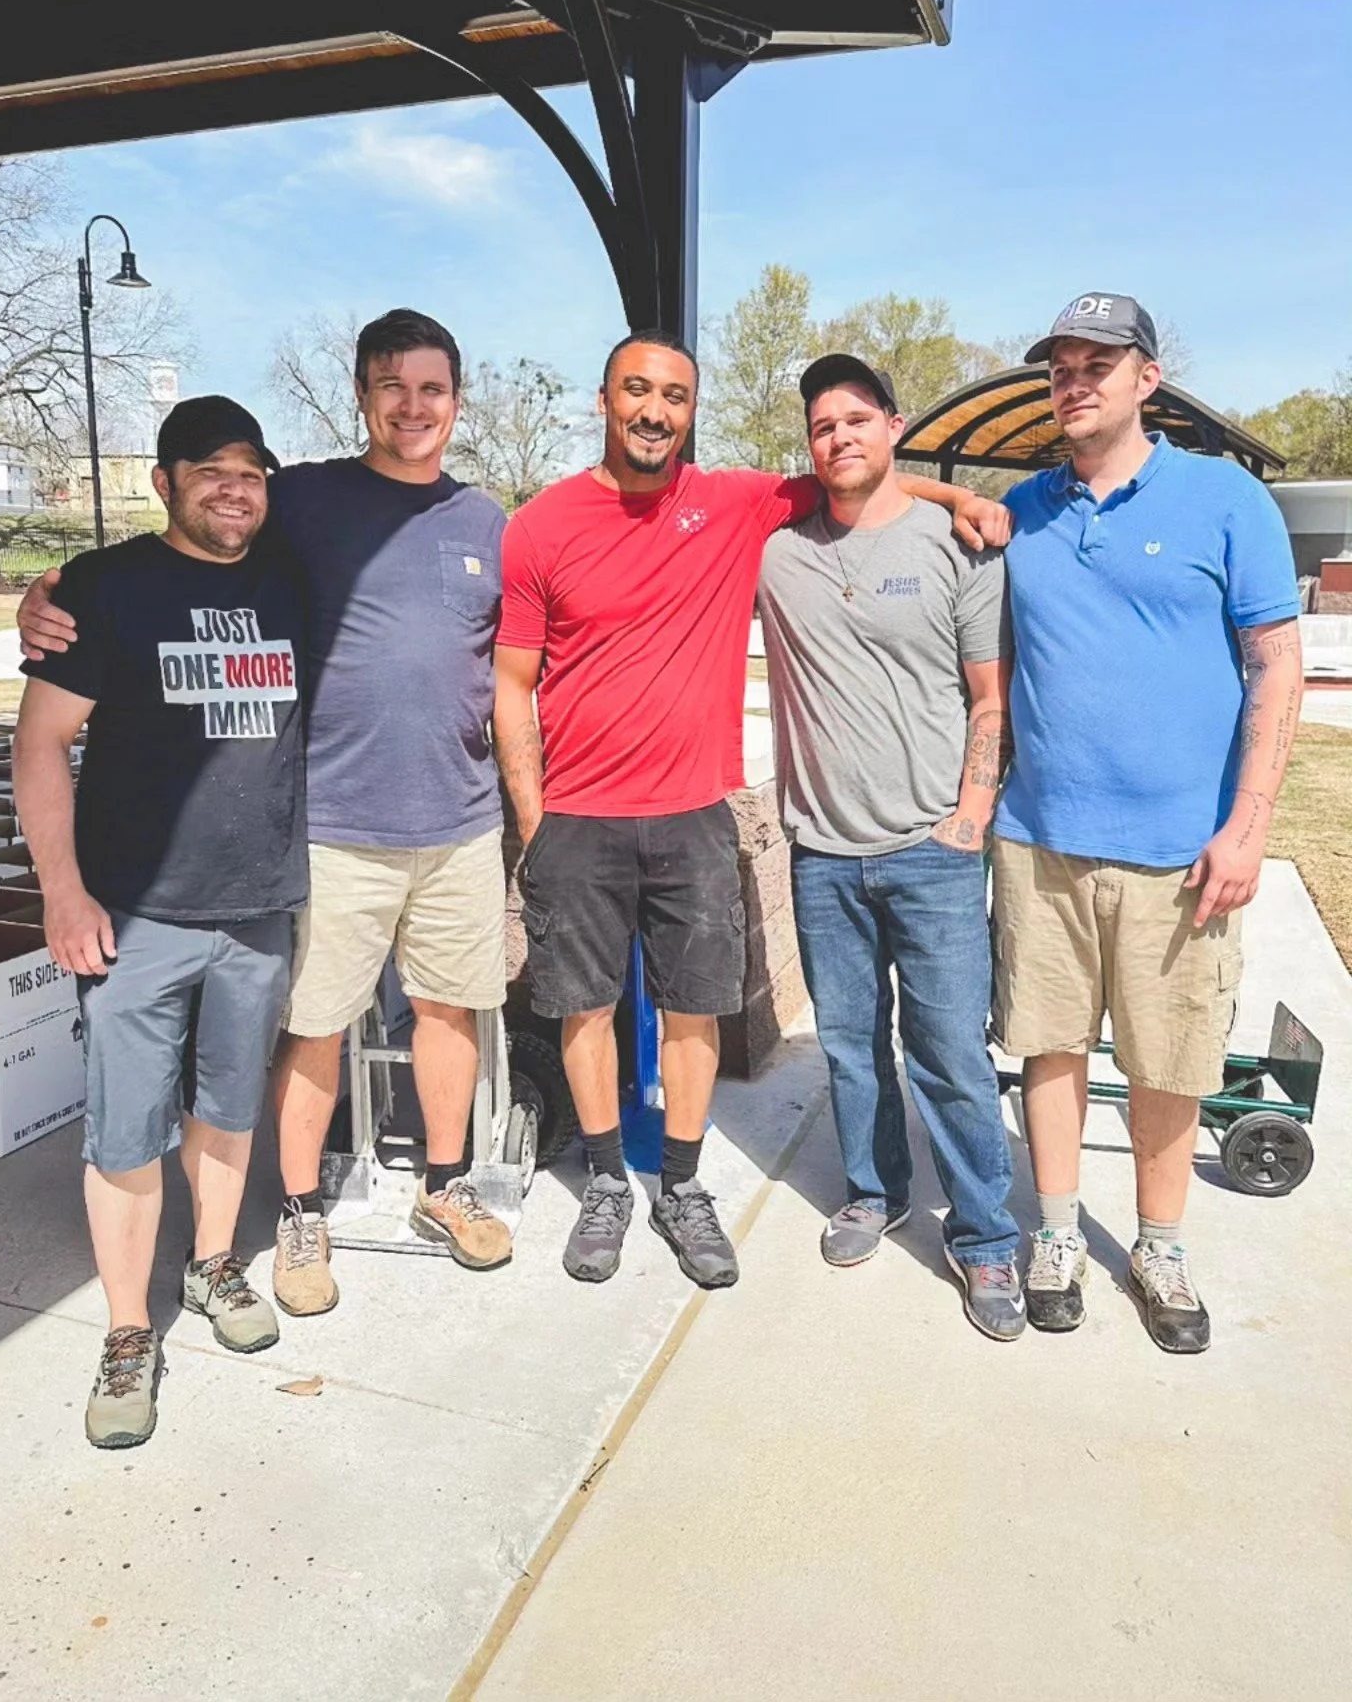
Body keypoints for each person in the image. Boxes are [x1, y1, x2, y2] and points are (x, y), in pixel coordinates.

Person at [18, 310, 513, 1307]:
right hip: (329, 826)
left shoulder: (487, 521)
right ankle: (296, 1217)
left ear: (458, 401)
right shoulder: (307, 498)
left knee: (450, 1012)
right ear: (363, 395)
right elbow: (186, 539)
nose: (412, 406)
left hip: (458, 818)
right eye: (392, 386)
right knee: (316, 1027)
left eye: (432, 389)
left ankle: (446, 1186)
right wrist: (51, 590)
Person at [494, 329, 986, 1290]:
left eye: (674, 396)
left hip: (692, 814)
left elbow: (863, 480)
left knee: (693, 1013)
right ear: (604, 401)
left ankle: (679, 1186)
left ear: (691, 412)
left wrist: (960, 495)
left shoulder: (731, 502)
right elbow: (512, 683)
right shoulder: (541, 524)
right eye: (636, 391)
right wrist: (532, 814)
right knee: (584, 1011)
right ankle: (605, 1182)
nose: (654, 411)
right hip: (579, 819)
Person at [994, 292, 1303, 1352]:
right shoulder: (1025, 511)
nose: (1073, 381)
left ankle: (1161, 1245)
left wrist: (1249, 826)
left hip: (1184, 854)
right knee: (1048, 1046)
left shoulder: (1225, 501)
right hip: (1038, 840)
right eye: (1060, 366)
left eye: (1098, 363)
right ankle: (1056, 1233)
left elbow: (1276, 664)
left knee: (1169, 1059)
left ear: (1146, 380)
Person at [13, 397, 303, 1449]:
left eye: (251, 473)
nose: (235, 489)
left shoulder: (290, 576)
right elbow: (40, 742)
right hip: (133, 914)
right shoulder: (106, 588)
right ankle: (129, 1331)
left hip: (259, 904)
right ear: (165, 482)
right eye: (211, 470)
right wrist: (61, 888)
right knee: (126, 1128)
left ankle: (216, 1263)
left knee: (228, 1110)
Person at [758, 355, 1024, 1339]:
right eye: (822, 426)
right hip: (821, 854)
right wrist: (949, 480)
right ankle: (876, 1191)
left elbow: (988, 697)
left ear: (893, 425)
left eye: (857, 420)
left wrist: (968, 815)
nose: (840, 439)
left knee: (949, 1049)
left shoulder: (959, 547)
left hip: (931, 849)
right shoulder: (778, 550)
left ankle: (988, 1237)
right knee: (849, 1046)